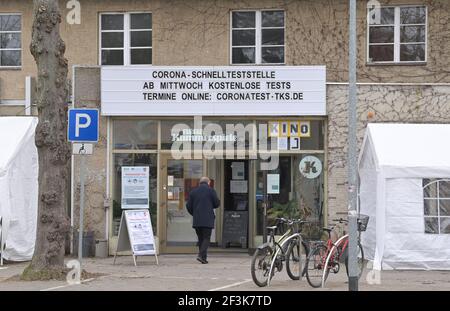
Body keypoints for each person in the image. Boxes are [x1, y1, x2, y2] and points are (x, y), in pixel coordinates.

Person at [186, 177, 220, 264]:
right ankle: (201, 255)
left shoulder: (193, 192)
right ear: (208, 183)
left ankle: (203, 258)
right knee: (206, 238)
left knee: (200, 238)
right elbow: (216, 203)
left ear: (199, 183)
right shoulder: (211, 190)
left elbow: (188, 206)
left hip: (197, 219)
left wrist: (194, 213)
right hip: (208, 218)